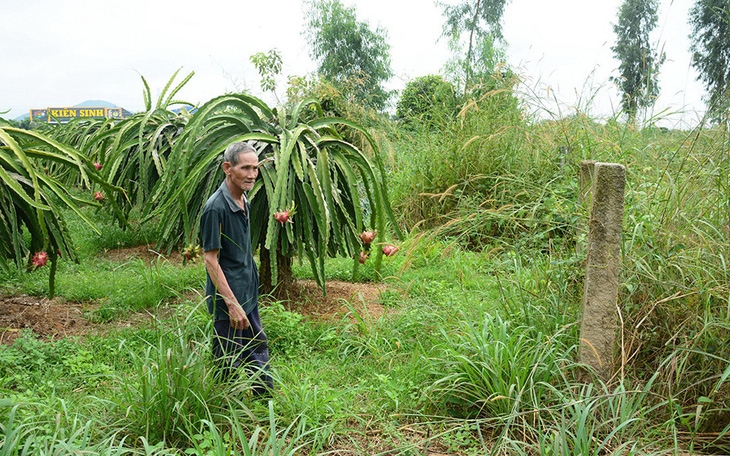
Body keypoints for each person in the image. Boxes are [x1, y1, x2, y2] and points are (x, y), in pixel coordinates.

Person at [200, 142, 273, 396]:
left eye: (255, 168)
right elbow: (210, 259)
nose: (252, 174)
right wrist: (231, 303)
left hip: (247, 292)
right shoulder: (215, 208)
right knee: (227, 361)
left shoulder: (242, 198)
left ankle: (266, 404)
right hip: (228, 298)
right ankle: (220, 413)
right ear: (227, 168)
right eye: (245, 168)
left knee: (257, 347)